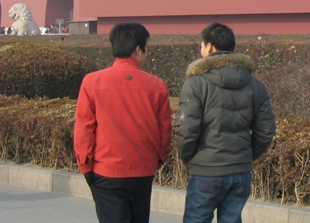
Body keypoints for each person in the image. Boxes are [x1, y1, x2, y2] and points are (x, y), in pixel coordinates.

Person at [176, 22, 276, 223]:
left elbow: (187, 129)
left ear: (210, 46)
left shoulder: (195, 83)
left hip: (206, 169)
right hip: (240, 171)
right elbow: (265, 130)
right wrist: (246, 155)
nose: (201, 49)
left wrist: (189, 158)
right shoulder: (255, 85)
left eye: (202, 45)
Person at [74, 22, 172, 223]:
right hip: (143, 171)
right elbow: (165, 130)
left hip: (106, 171)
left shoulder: (92, 82)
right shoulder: (157, 85)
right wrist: (158, 160)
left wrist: (86, 166)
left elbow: (84, 129)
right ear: (138, 49)